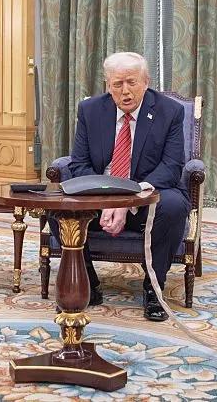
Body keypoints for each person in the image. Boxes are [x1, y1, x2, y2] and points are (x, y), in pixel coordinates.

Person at [67, 51, 189, 321]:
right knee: (59, 207)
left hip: (147, 196)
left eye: (132, 82)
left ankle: (153, 287)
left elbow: (171, 167)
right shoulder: (90, 110)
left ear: (146, 82)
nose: (125, 91)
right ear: (107, 85)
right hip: (101, 196)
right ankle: (88, 282)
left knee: (173, 205)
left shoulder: (169, 111)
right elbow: (79, 164)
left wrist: (127, 200)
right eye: (117, 84)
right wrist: (108, 201)